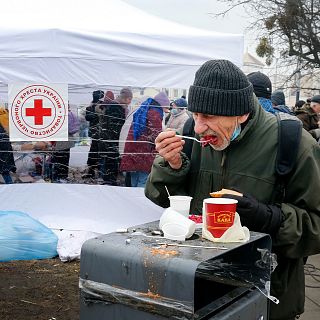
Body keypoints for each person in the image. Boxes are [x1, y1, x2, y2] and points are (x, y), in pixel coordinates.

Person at [145, 59, 320, 320]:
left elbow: (316, 227)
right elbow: (162, 197)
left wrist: (269, 218)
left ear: (241, 113)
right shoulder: (195, 136)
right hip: (201, 290)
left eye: (208, 116)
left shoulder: (293, 144)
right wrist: (173, 166)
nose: (199, 126)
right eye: (195, 114)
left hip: (268, 298)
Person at [120, 91, 170, 187]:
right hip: (143, 153)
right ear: (161, 105)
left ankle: (133, 200)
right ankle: (140, 201)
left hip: (133, 150)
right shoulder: (154, 113)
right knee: (143, 181)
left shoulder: (144, 109)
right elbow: (156, 136)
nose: (165, 111)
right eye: (166, 108)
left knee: (134, 179)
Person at [97, 88, 132, 185]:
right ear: (125, 98)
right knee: (111, 162)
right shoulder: (115, 108)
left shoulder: (115, 106)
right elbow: (115, 128)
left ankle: (109, 180)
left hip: (109, 140)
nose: (129, 103)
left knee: (110, 162)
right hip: (111, 141)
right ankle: (110, 182)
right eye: (129, 100)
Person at [84, 90, 104, 179]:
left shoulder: (99, 106)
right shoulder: (93, 107)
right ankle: (94, 170)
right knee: (96, 151)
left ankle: (95, 170)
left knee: (96, 151)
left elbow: (88, 117)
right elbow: (88, 117)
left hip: (99, 132)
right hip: (97, 132)